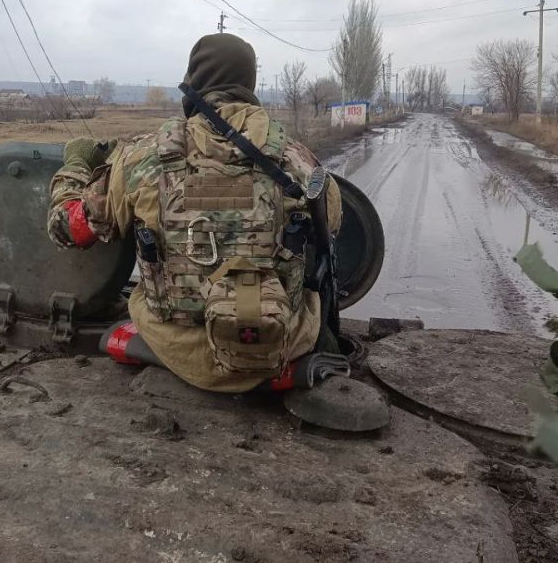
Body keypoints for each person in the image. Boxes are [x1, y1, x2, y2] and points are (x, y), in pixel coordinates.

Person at [47, 33, 341, 393]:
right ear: (248, 84)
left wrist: (76, 164)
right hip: (282, 347)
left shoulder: (142, 159)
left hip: (177, 352)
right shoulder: (298, 160)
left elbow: (69, 228)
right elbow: (332, 227)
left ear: (194, 85)